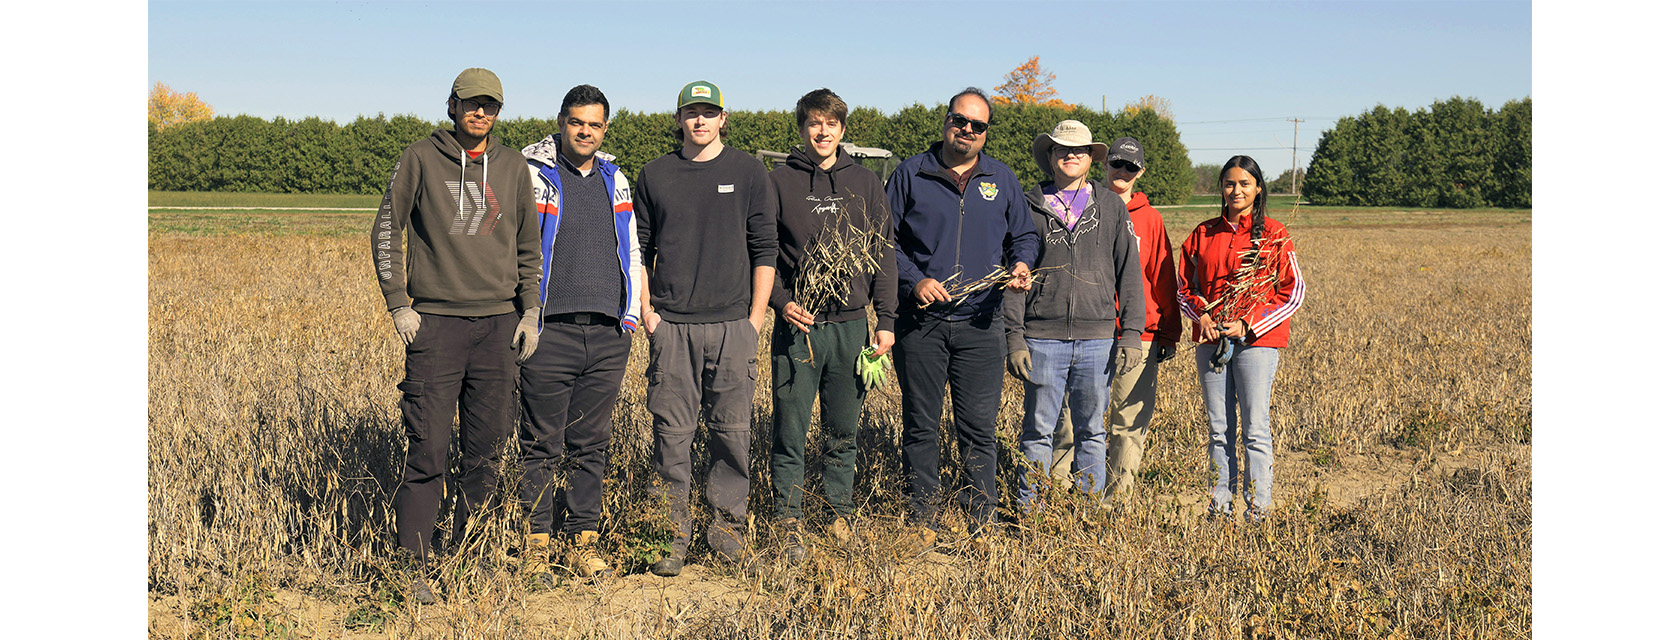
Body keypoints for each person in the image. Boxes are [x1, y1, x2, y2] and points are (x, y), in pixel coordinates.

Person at [371, 68, 541, 604]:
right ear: (451, 105)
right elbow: (385, 228)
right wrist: (400, 304)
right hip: (436, 326)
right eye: (471, 103)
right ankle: (414, 565)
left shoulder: (513, 167)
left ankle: (466, 559)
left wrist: (530, 312)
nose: (480, 113)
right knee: (428, 449)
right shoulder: (420, 158)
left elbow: (529, 248)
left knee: (486, 453)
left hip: (497, 329)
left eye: (490, 105)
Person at [635, 80, 776, 577]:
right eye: (691, 113)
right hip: (672, 327)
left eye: (708, 113)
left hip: (733, 325)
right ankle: (669, 536)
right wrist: (650, 314)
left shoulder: (749, 171)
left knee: (732, 435)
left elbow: (765, 249)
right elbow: (640, 251)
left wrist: (754, 322)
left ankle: (725, 531)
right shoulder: (654, 175)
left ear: (723, 119)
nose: (699, 121)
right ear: (678, 119)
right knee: (671, 437)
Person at [889, 87, 1040, 539]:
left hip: (982, 322)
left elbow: (1025, 237)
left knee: (979, 428)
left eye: (978, 125)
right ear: (946, 121)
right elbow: (883, 239)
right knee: (921, 424)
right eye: (961, 120)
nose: (968, 130)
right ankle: (922, 516)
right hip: (921, 323)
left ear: (986, 132)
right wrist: (914, 279)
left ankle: (982, 518)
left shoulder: (1001, 179)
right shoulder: (909, 174)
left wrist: (1022, 263)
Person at [515, 84, 643, 583]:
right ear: (561, 122)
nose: (584, 131)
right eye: (576, 122)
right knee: (541, 443)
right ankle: (535, 545)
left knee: (592, 443)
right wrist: (526, 315)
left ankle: (584, 542)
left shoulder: (617, 179)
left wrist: (628, 318)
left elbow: (631, 248)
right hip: (551, 331)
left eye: (594, 124)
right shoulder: (531, 175)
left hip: (607, 334)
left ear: (604, 128)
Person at [766, 89, 898, 563]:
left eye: (831, 124)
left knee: (843, 429)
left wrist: (885, 320)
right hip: (799, 329)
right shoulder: (779, 181)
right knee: (791, 427)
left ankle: (838, 512)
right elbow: (762, 253)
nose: (822, 132)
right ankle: (789, 519)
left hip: (850, 328)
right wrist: (781, 303)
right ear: (802, 129)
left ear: (843, 130)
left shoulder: (865, 182)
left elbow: (883, 254)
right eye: (814, 124)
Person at [1003, 120, 1146, 508]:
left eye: (1079, 150)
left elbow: (1128, 272)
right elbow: (1016, 273)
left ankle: (1087, 513)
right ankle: (1028, 510)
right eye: (1061, 149)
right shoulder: (1027, 205)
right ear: (1049, 156)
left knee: (1091, 433)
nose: (1070, 155)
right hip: (1042, 339)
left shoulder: (1112, 206)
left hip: (1098, 339)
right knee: (1037, 431)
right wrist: (1014, 337)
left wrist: (1131, 331)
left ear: (1090, 159)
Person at [1047, 136, 1184, 503]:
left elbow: (1163, 277)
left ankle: (1116, 501)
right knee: (1071, 420)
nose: (1122, 172)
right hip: (1089, 329)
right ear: (1103, 165)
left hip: (1138, 334)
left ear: (1141, 172)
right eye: (1117, 164)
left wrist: (1168, 331)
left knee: (1126, 423)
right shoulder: (1083, 208)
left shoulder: (1151, 220)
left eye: (1131, 167)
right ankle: (1059, 495)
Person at [1178, 155, 1304, 522]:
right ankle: (1220, 506)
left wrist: (1249, 324)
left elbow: (1293, 292)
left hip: (1256, 343)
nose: (1236, 190)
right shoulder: (1203, 233)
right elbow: (1184, 288)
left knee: (1255, 427)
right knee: (1219, 429)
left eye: (1245, 184)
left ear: (1258, 188)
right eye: (1230, 183)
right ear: (1222, 188)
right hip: (1211, 341)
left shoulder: (1275, 235)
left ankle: (1259, 509)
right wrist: (1202, 316)